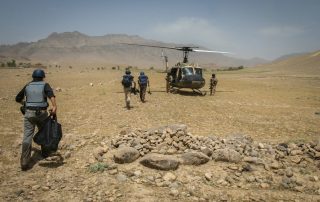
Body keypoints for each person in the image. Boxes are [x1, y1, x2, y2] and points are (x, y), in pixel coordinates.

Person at [15, 69, 57, 171]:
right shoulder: (45, 85)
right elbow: (51, 95)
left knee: (27, 136)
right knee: (44, 132)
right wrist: (54, 106)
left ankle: (25, 161)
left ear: (33, 77)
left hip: (29, 114)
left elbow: (17, 98)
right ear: (43, 77)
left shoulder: (28, 86)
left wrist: (25, 104)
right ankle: (46, 153)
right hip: (42, 114)